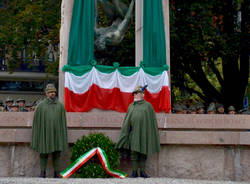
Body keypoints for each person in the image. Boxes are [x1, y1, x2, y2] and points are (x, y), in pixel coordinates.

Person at [115, 86, 160, 178]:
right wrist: (126, 133)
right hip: (133, 133)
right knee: (134, 152)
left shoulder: (148, 106)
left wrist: (149, 133)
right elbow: (127, 120)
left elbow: (152, 121)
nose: (141, 94)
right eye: (138, 93)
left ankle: (143, 172)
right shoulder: (131, 106)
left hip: (144, 133)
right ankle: (134, 172)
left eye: (142, 93)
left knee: (143, 152)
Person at [31, 84, 68, 178]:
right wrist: (38, 135)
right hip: (45, 133)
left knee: (57, 153)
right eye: (51, 92)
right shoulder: (40, 106)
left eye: (54, 92)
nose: (53, 94)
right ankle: (42, 173)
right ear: (46, 93)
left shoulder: (60, 106)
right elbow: (37, 123)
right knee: (43, 153)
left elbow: (63, 122)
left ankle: (56, 173)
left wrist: (61, 134)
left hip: (56, 133)